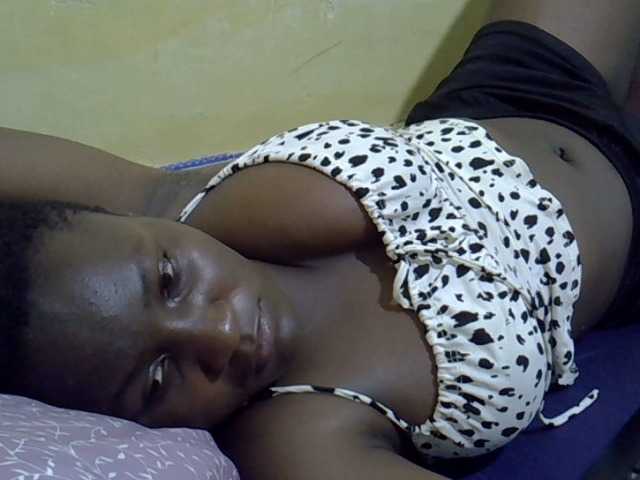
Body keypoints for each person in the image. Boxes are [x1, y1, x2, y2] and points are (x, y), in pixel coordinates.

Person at [1, 1, 640, 478]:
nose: (218, 334)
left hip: (520, 88)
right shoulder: (300, 434)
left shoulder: (167, 202)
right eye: (158, 378)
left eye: (169, 283)